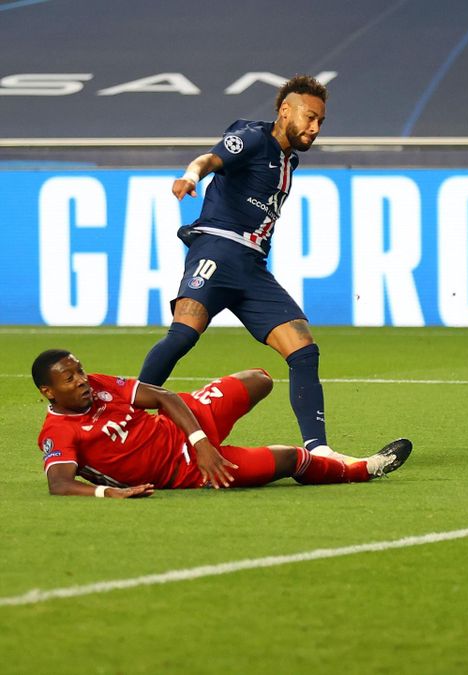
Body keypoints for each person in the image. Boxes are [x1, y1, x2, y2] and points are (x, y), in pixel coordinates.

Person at [139, 74, 372, 464]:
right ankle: (124, 416)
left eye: (321, 122)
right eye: (309, 118)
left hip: (251, 267)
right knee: (182, 336)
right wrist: (190, 177)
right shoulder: (252, 137)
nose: (315, 128)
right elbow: (209, 159)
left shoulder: (288, 159)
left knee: (303, 350)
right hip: (216, 248)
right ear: (285, 111)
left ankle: (320, 450)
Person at [33, 349, 412, 498]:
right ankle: (362, 469)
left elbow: (164, 398)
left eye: (79, 371)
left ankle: (208, 423)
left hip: (191, 424)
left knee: (259, 378)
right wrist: (107, 492)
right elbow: (60, 484)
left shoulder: (99, 384)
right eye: (69, 379)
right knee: (288, 460)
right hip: (187, 471)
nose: (81, 380)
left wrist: (199, 441)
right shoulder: (57, 433)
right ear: (49, 392)